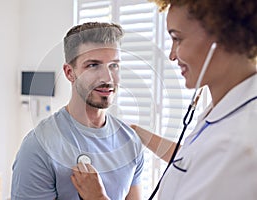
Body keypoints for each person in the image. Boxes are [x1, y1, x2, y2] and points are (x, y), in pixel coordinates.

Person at [70, 0, 257, 199]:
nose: (171, 55)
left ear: (221, 35)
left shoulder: (238, 143)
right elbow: (191, 158)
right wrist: (136, 133)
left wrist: (98, 197)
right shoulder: (227, 109)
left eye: (177, 39)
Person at [11, 22, 144, 200]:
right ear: (69, 72)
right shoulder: (38, 147)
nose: (107, 77)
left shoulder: (131, 142)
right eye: (93, 65)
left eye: (114, 65)